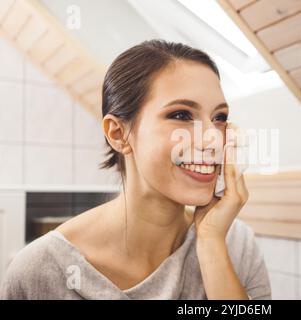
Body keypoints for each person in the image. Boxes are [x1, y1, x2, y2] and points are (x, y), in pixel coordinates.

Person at [0, 39, 271, 300]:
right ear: (118, 133)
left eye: (219, 118)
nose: (213, 140)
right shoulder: (39, 271)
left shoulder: (235, 243)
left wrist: (212, 244)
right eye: (181, 115)